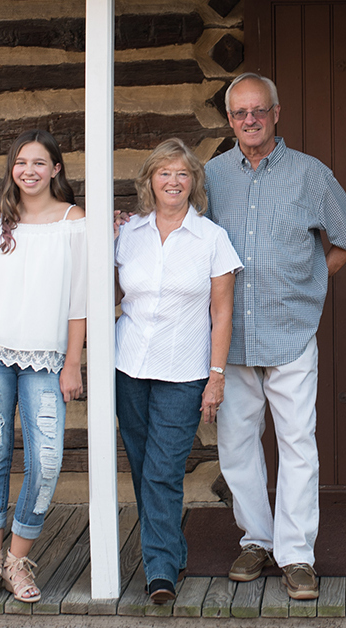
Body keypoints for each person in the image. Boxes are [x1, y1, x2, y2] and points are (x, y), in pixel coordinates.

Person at [205, 72, 346, 600]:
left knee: (298, 445)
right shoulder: (208, 177)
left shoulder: (310, 174)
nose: (249, 120)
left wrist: (312, 283)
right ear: (229, 120)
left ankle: (296, 554)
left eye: (259, 110)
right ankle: (256, 539)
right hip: (231, 340)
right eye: (239, 113)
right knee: (236, 444)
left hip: (292, 333)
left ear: (277, 113)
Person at [0, 130, 87, 604]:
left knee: (47, 462)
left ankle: (17, 558)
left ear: (56, 169)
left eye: (39, 162)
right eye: (20, 163)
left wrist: (73, 361)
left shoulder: (77, 223)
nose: (28, 170)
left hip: (48, 360)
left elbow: (79, 303)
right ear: (11, 169)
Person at [116, 139, 242, 604]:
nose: (173, 181)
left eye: (182, 174)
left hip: (184, 370)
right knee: (143, 465)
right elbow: (106, 291)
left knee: (163, 470)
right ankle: (170, 550)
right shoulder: (128, 234)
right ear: (150, 180)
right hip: (127, 365)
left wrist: (216, 374)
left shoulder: (212, 238)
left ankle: (160, 570)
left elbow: (222, 314)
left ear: (194, 183)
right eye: (164, 173)